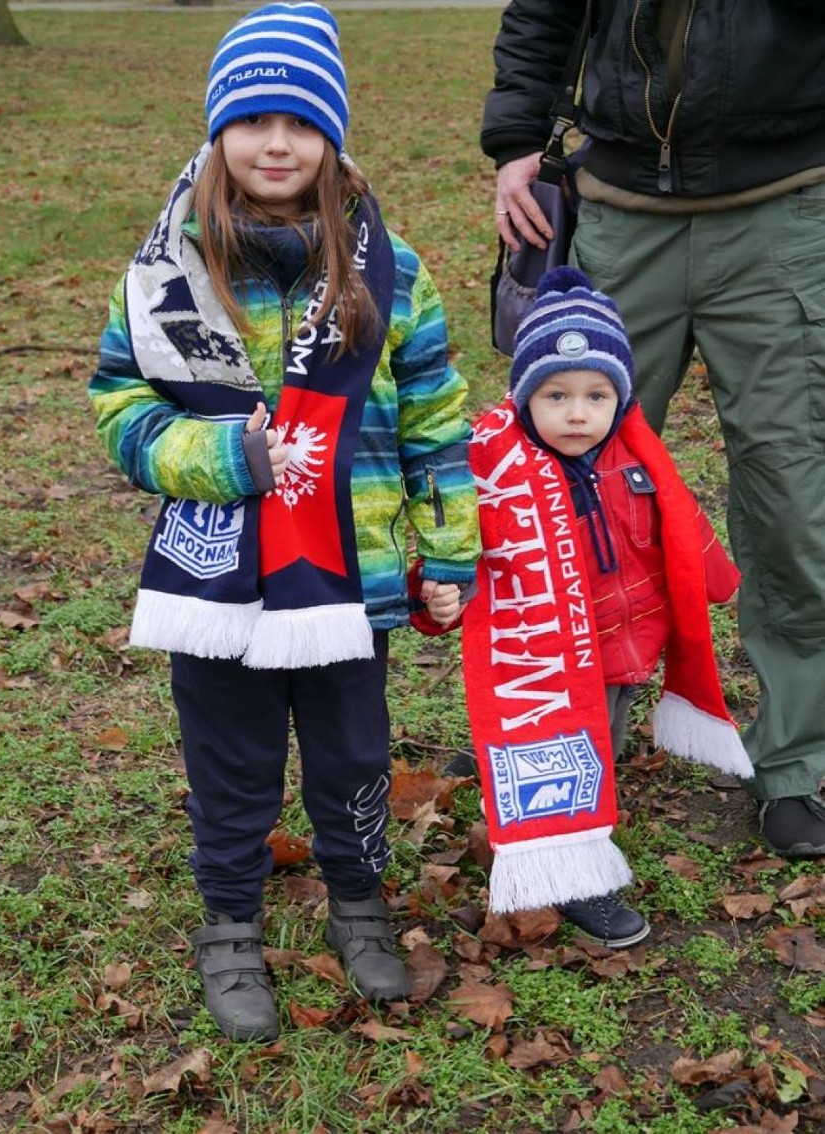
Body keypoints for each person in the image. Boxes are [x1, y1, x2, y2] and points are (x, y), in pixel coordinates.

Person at [89, 1, 481, 1042]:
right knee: (231, 761)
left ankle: (359, 901)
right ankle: (229, 923)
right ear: (218, 133)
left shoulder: (394, 273)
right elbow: (120, 404)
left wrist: (448, 549)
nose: (276, 143)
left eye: (301, 123)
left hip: (349, 579)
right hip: (216, 576)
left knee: (354, 756)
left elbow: (440, 422)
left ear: (332, 137)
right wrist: (222, 458)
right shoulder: (167, 270)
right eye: (253, 121)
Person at [481, 0, 825, 857]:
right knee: (569, 495)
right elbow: (543, 11)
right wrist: (516, 140)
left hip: (786, 210)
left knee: (794, 499)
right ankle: (566, 734)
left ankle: (795, 766)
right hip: (619, 209)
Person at [417, 267, 753, 948]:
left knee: (601, 746)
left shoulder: (638, 462)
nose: (578, 413)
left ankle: (553, 812)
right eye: (557, 394)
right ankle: (574, 877)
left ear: (621, 399)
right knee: (563, 750)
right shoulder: (495, 478)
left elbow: (680, 533)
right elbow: (448, 551)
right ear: (523, 398)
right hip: (543, 660)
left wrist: (717, 579)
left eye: (597, 395)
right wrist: (436, 594)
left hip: (627, 647)